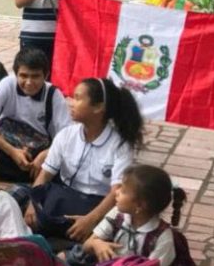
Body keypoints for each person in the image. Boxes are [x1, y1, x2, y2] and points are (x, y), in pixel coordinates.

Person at [24, 77, 141, 243]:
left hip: (98, 206)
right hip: (62, 198)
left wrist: (91, 220)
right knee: (17, 198)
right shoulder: (66, 135)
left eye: (78, 98)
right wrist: (32, 204)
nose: (70, 102)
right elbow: (45, 175)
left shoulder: (120, 145)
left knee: (101, 241)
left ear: (98, 107)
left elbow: (116, 191)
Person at [83, 165, 186, 266]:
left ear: (140, 206)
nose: (116, 192)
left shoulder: (162, 237)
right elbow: (86, 245)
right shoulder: (117, 215)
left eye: (123, 190)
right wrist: (97, 244)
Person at [0, 47, 71, 183]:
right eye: (23, 76)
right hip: (7, 144)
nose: (29, 83)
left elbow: (67, 138)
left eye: (35, 76)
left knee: (59, 164)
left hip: (35, 152)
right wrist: (12, 151)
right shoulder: (8, 84)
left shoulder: (53, 95)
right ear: (16, 73)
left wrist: (44, 155)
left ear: (46, 75)